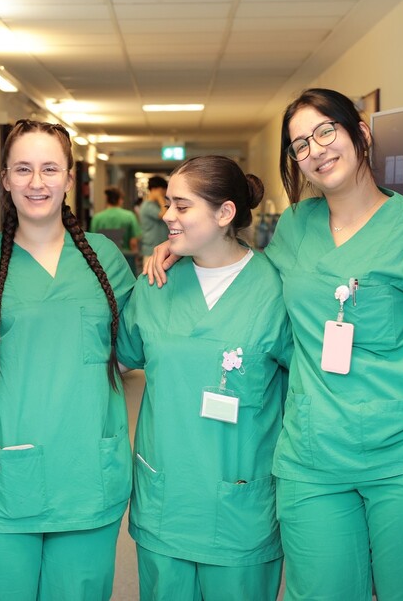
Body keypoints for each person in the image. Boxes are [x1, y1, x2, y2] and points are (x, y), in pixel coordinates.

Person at [148, 88, 403, 601]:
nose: (315, 150)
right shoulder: (295, 227)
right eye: (299, 145)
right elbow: (245, 279)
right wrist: (183, 243)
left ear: (359, 132)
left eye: (325, 132)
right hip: (313, 460)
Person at [0, 119, 136, 600]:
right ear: (4, 178)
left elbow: (139, 345)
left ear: (70, 178)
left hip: (88, 478)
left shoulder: (106, 260)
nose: (36, 181)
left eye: (50, 168)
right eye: (22, 169)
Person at [118, 155, 291, 600]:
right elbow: (124, 356)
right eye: (168, 204)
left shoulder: (276, 290)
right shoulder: (155, 283)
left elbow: (305, 390)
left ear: (225, 213)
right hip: (167, 495)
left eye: (181, 205)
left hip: (240, 500)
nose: (166, 215)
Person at [90, 185, 142, 270]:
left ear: (107, 200)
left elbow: (92, 241)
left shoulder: (97, 218)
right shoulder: (129, 216)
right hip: (125, 258)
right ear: (120, 200)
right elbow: (133, 242)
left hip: (103, 259)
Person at [139, 175, 169, 269]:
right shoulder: (148, 205)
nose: (165, 192)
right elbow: (164, 215)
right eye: (163, 189)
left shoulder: (155, 205)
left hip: (160, 247)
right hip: (151, 249)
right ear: (155, 189)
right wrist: (160, 198)